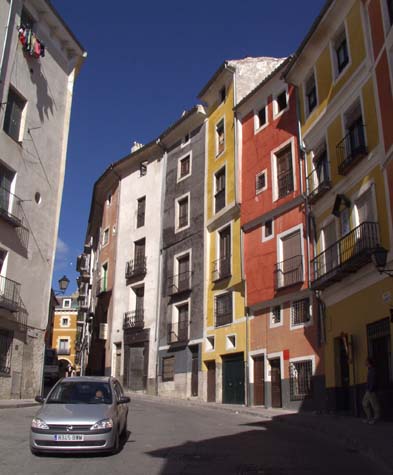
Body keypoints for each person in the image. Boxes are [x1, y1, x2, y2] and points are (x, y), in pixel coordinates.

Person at [362, 357, 380, 424]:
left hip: (371, 390)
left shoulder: (372, 370)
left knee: (375, 405)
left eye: (366, 361)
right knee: (364, 403)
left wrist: (370, 389)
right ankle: (369, 417)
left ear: (369, 362)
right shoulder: (369, 370)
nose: (365, 362)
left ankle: (375, 419)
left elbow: (373, 380)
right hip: (368, 390)